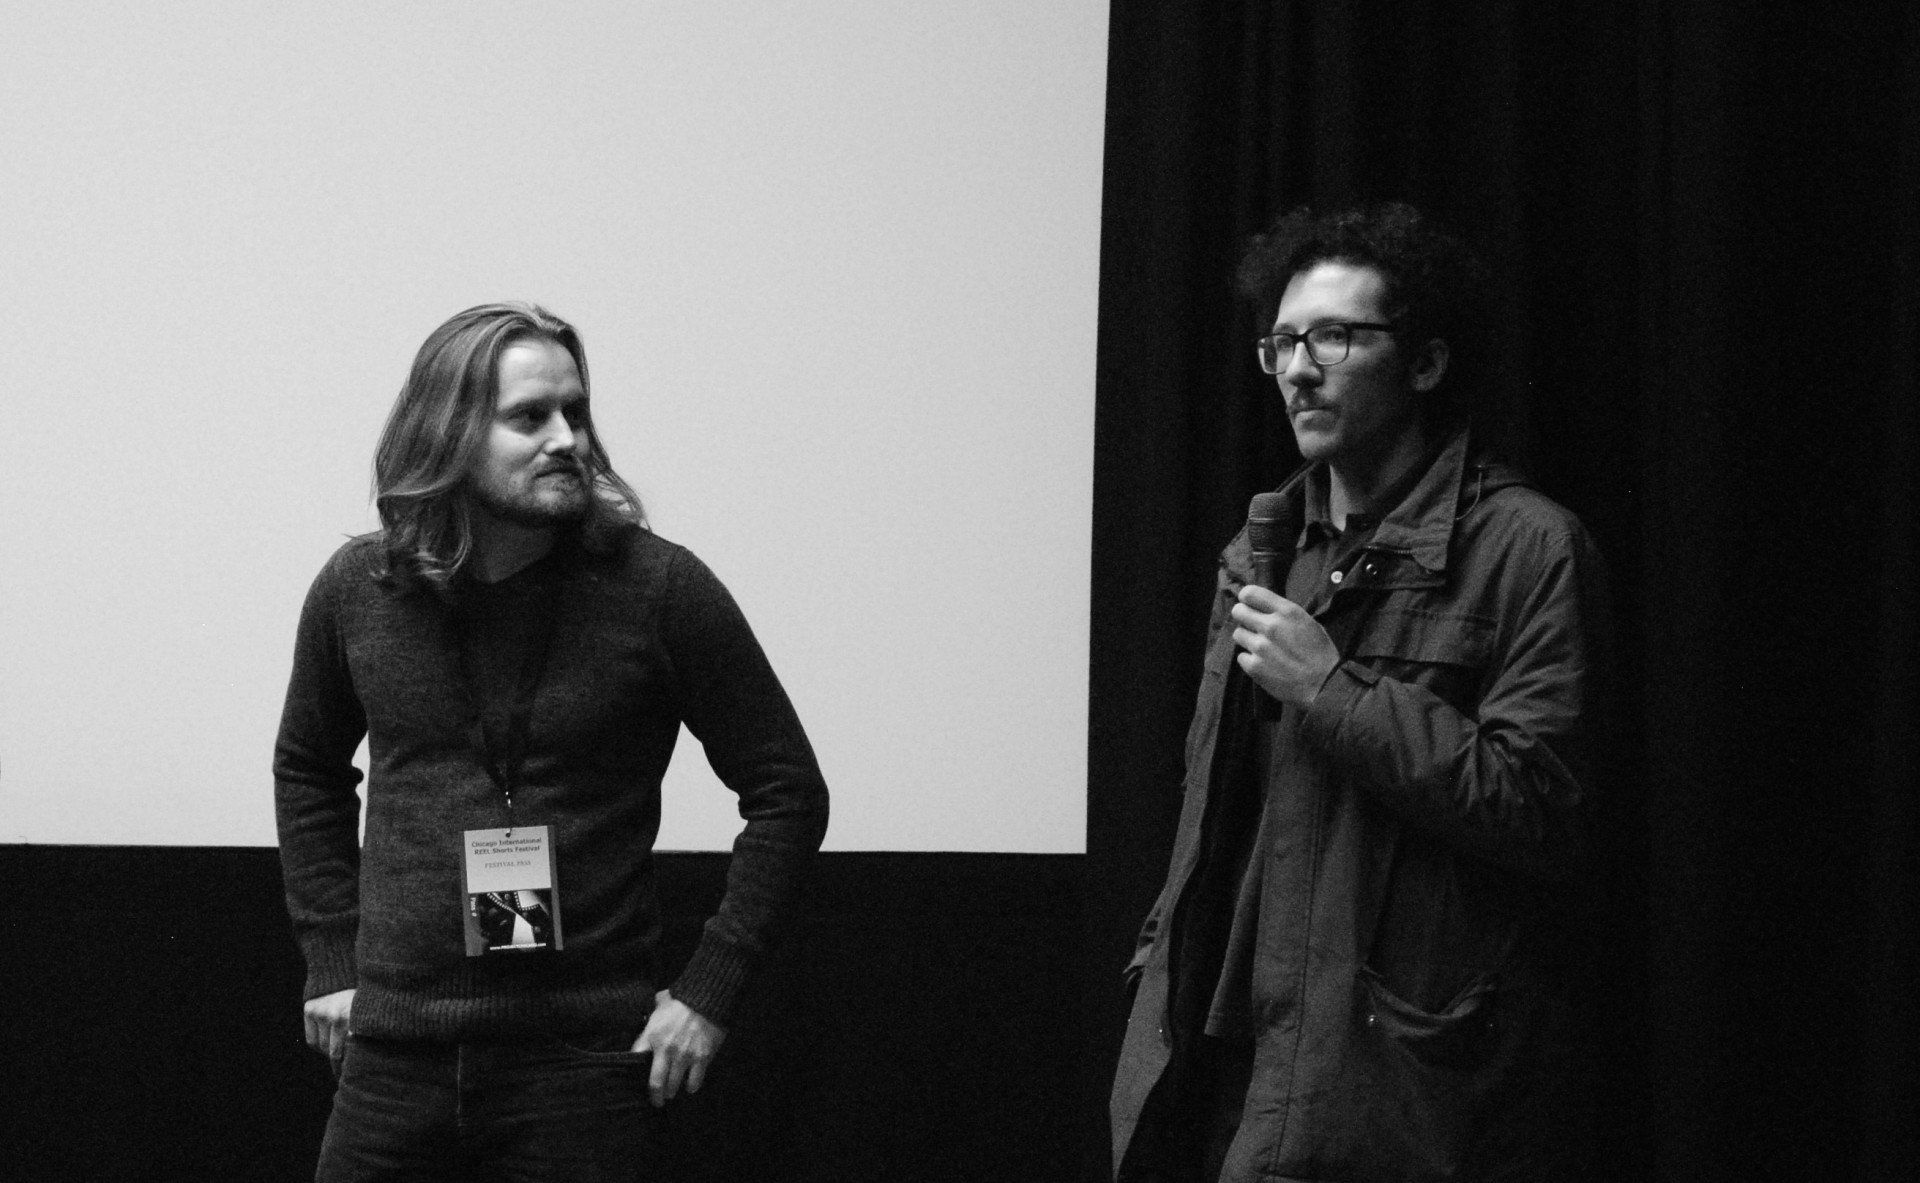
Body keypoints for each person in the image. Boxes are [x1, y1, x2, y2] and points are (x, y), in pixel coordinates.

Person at [1110, 205, 1613, 1181]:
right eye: (1284, 341)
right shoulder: (1257, 556)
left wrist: (1331, 687)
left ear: (1424, 364)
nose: (1299, 367)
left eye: (1334, 336)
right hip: (1217, 1061)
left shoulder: (1527, 549)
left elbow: (1543, 807)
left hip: (1389, 1086)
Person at [275, 302, 829, 1181]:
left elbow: (788, 791)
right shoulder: (359, 587)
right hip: (394, 1056)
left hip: (581, 1066)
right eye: (530, 417)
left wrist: (708, 993)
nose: (567, 438)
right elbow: (308, 767)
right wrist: (332, 958)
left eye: (576, 412)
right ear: (449, 430)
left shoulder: (658, 588)